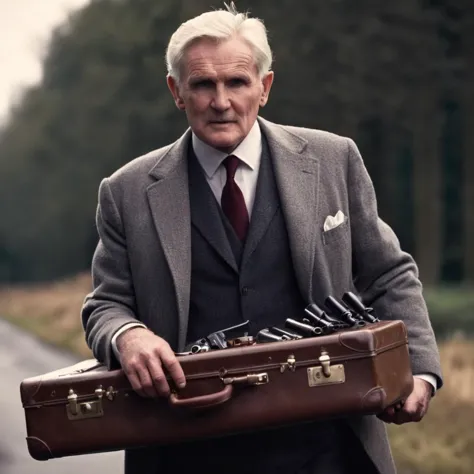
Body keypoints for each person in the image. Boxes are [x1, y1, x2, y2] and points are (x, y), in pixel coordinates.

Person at [81, 3, 442, 474]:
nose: (221, 101)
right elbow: (105, 304)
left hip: (327, 442)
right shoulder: (125, 192)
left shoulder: (335, 159)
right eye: (203, 84)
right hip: (183, 444)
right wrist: (128, 336)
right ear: (177, 91)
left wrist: (421, 372)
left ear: (264, 87)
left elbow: (388, 272)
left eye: (237, 82)